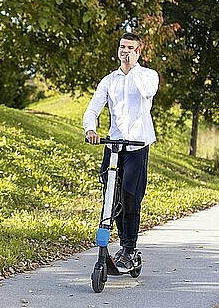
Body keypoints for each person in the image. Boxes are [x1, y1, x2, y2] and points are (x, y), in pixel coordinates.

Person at [83, 32, 159, 271]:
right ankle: (117, 245)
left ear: (139, 51)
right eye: (122, 46)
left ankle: (129, 248)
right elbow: (92, 109)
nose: (124, 51)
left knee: (130, 198)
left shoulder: (148, 76)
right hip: (114, 146)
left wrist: (132, 67)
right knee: (111, 199)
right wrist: (90, 130)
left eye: (130, 48)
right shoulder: (109, 80)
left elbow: (146, 93)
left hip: (137, 146)